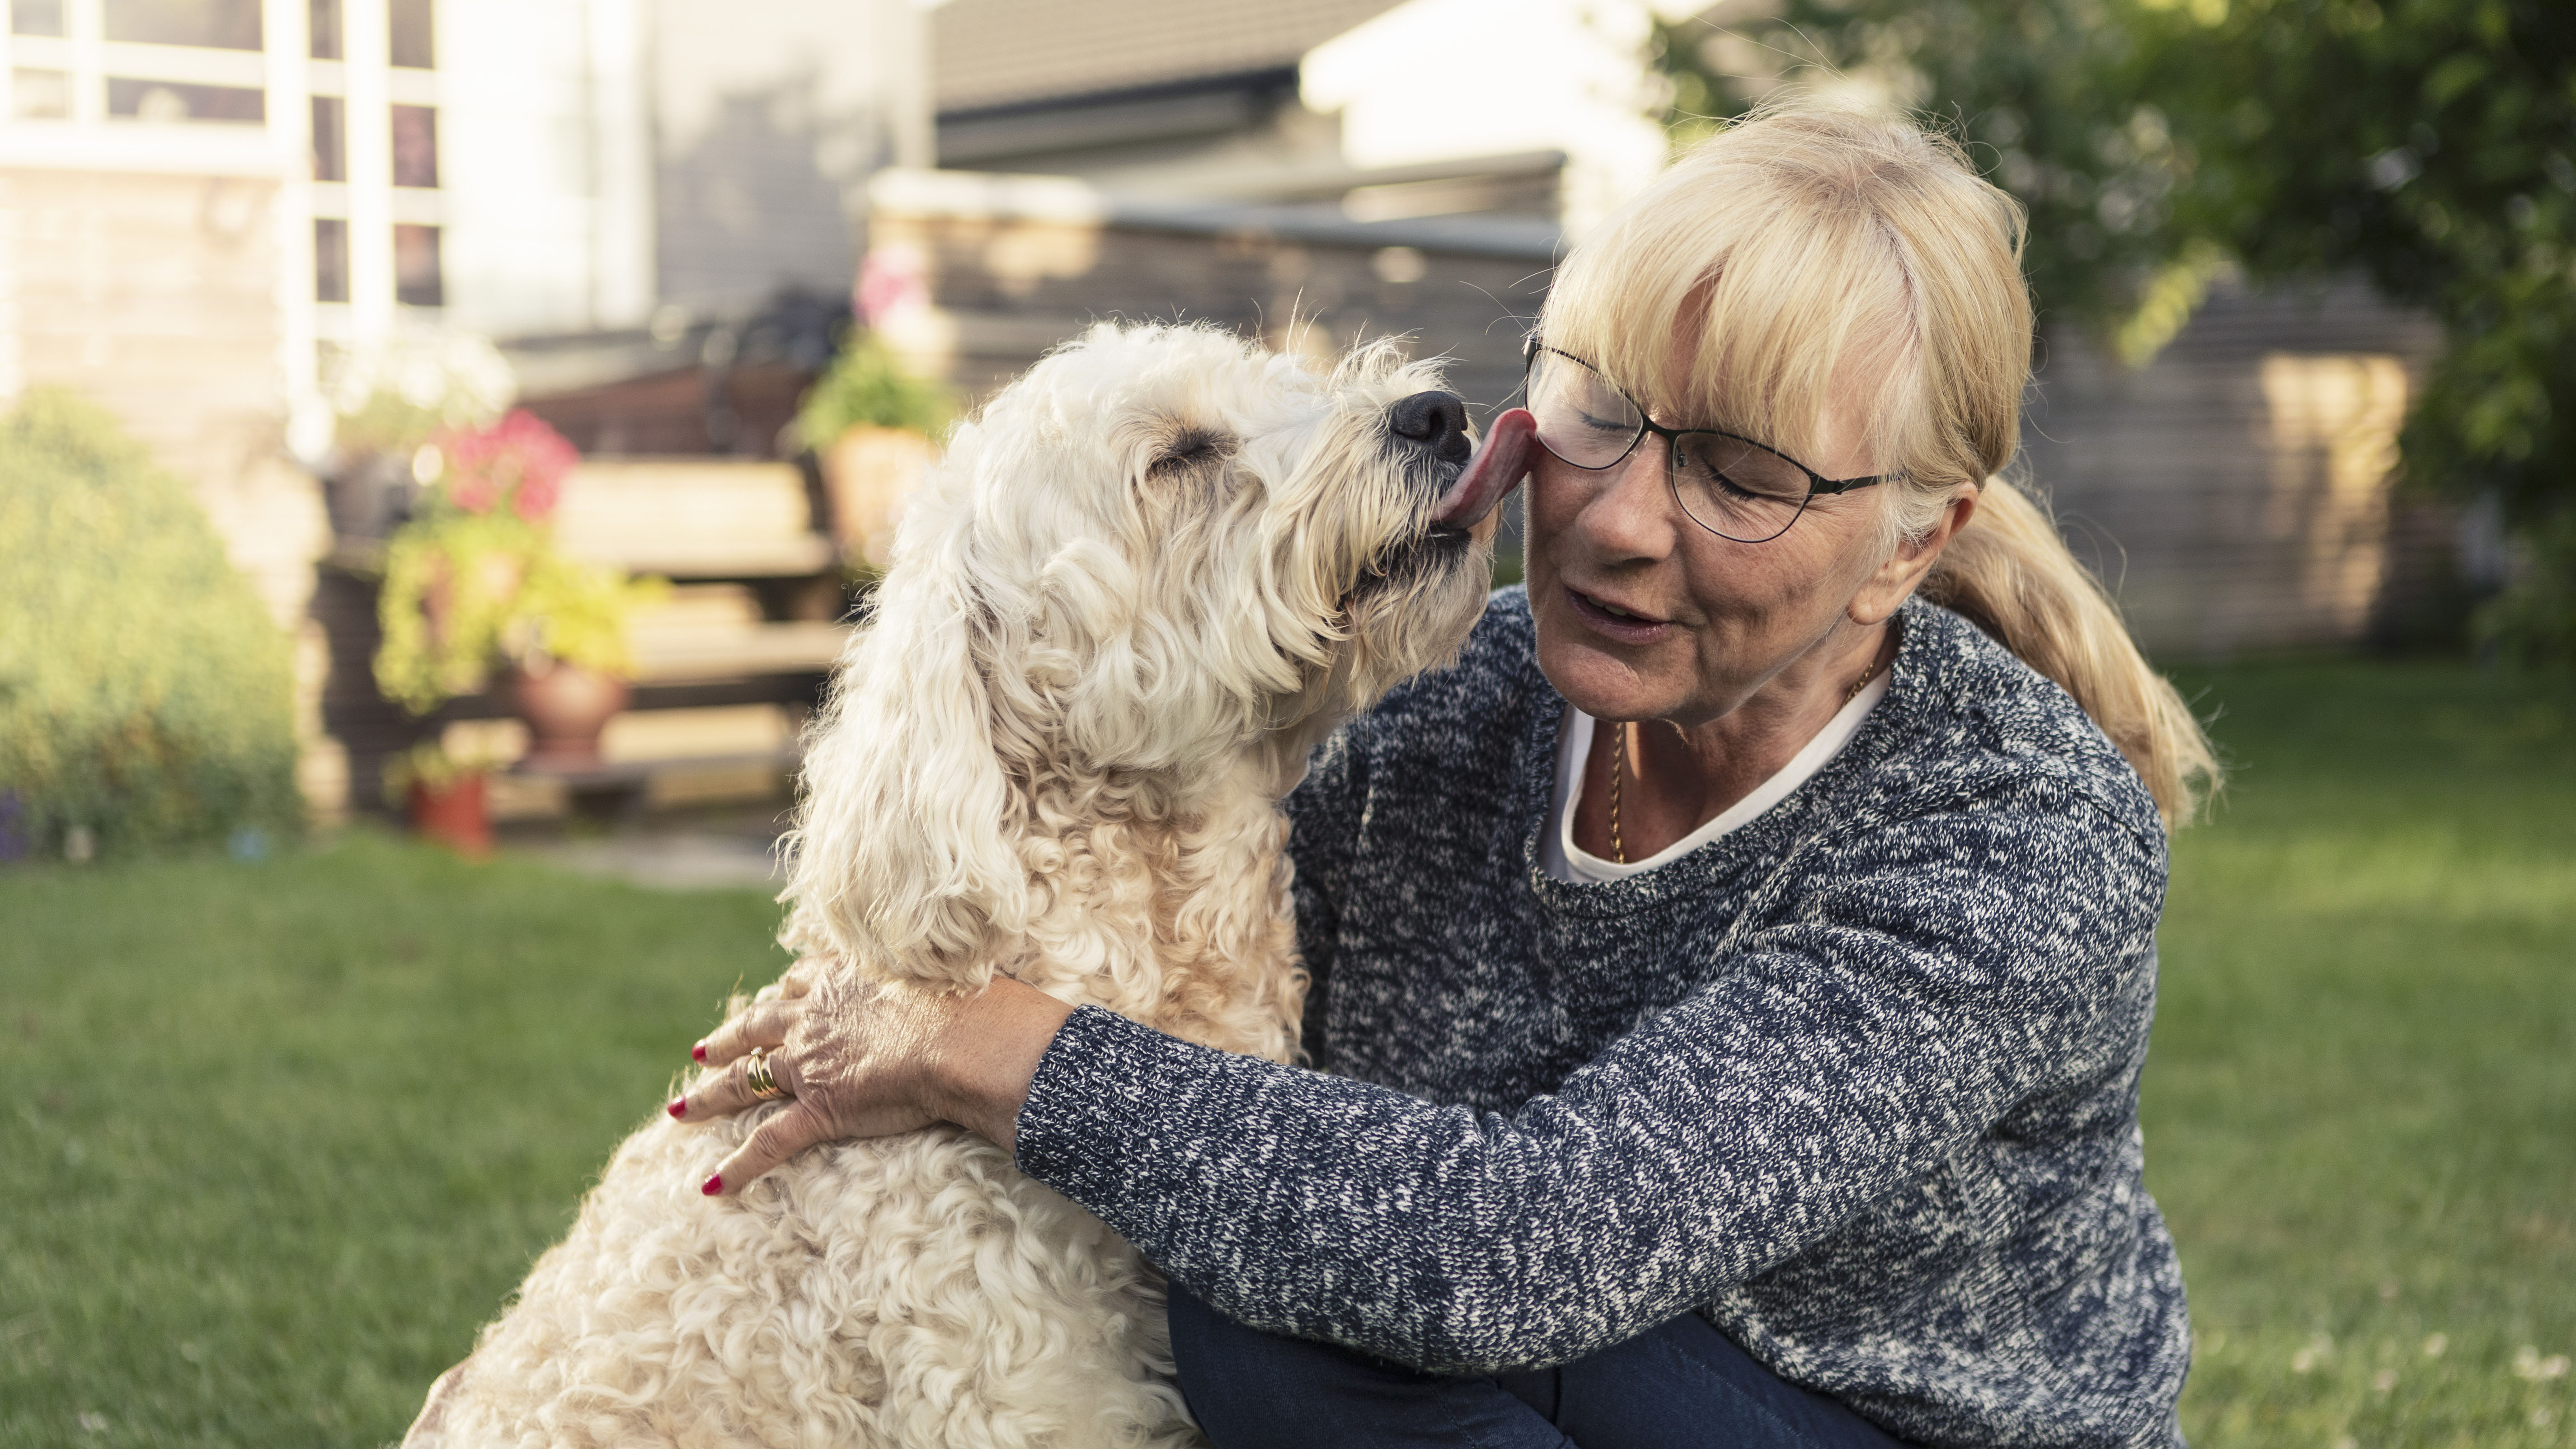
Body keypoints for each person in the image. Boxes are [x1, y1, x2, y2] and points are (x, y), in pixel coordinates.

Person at [674, 105, 2219, 1448]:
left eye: (1741, 477)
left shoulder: (2014, 830)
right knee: (1278, 1298)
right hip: (1556, 1387)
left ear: (1911, 543)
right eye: (1600, 410)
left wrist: (994, 1047)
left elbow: (1521, 1246)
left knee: (1314, 1310)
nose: (1613, 519)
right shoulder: (1444, 710)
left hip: (1869, 1426)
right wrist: (872, 1019)